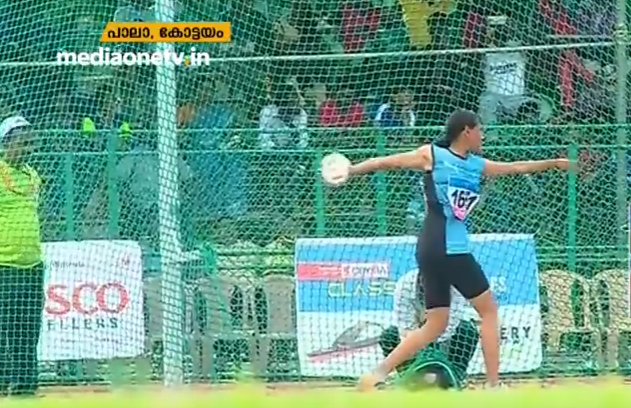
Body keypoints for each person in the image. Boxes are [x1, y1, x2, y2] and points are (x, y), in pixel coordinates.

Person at [333, 109, 572, 389]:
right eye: (479, 130)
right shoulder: (432, 155)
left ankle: (376, 374)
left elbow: (516, 167)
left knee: (435, 324)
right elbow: (386, 162)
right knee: (489, 312)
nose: (483, 135)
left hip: (429, 248)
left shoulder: (476, 165)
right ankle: (494, 386)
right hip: (450, 247)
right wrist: (351, 169)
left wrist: (554, 163)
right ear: (466, 131)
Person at [0, 115, 45, 396]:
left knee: (28, 331)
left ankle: (25, 387)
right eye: (21, 142)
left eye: (30, 142)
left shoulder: (33, 176)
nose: (27, 148)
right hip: (3, 265)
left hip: (33, 266)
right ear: (5, 144)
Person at [380, 269, 478, 389]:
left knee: (467, 330)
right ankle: (410, 376)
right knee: (389, 335)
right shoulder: (405, 285)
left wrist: (433, 354)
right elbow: (405, 330)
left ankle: (453, 378)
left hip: (443, 339)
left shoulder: (456, 287)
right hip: (414, 337)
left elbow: (448, 328)